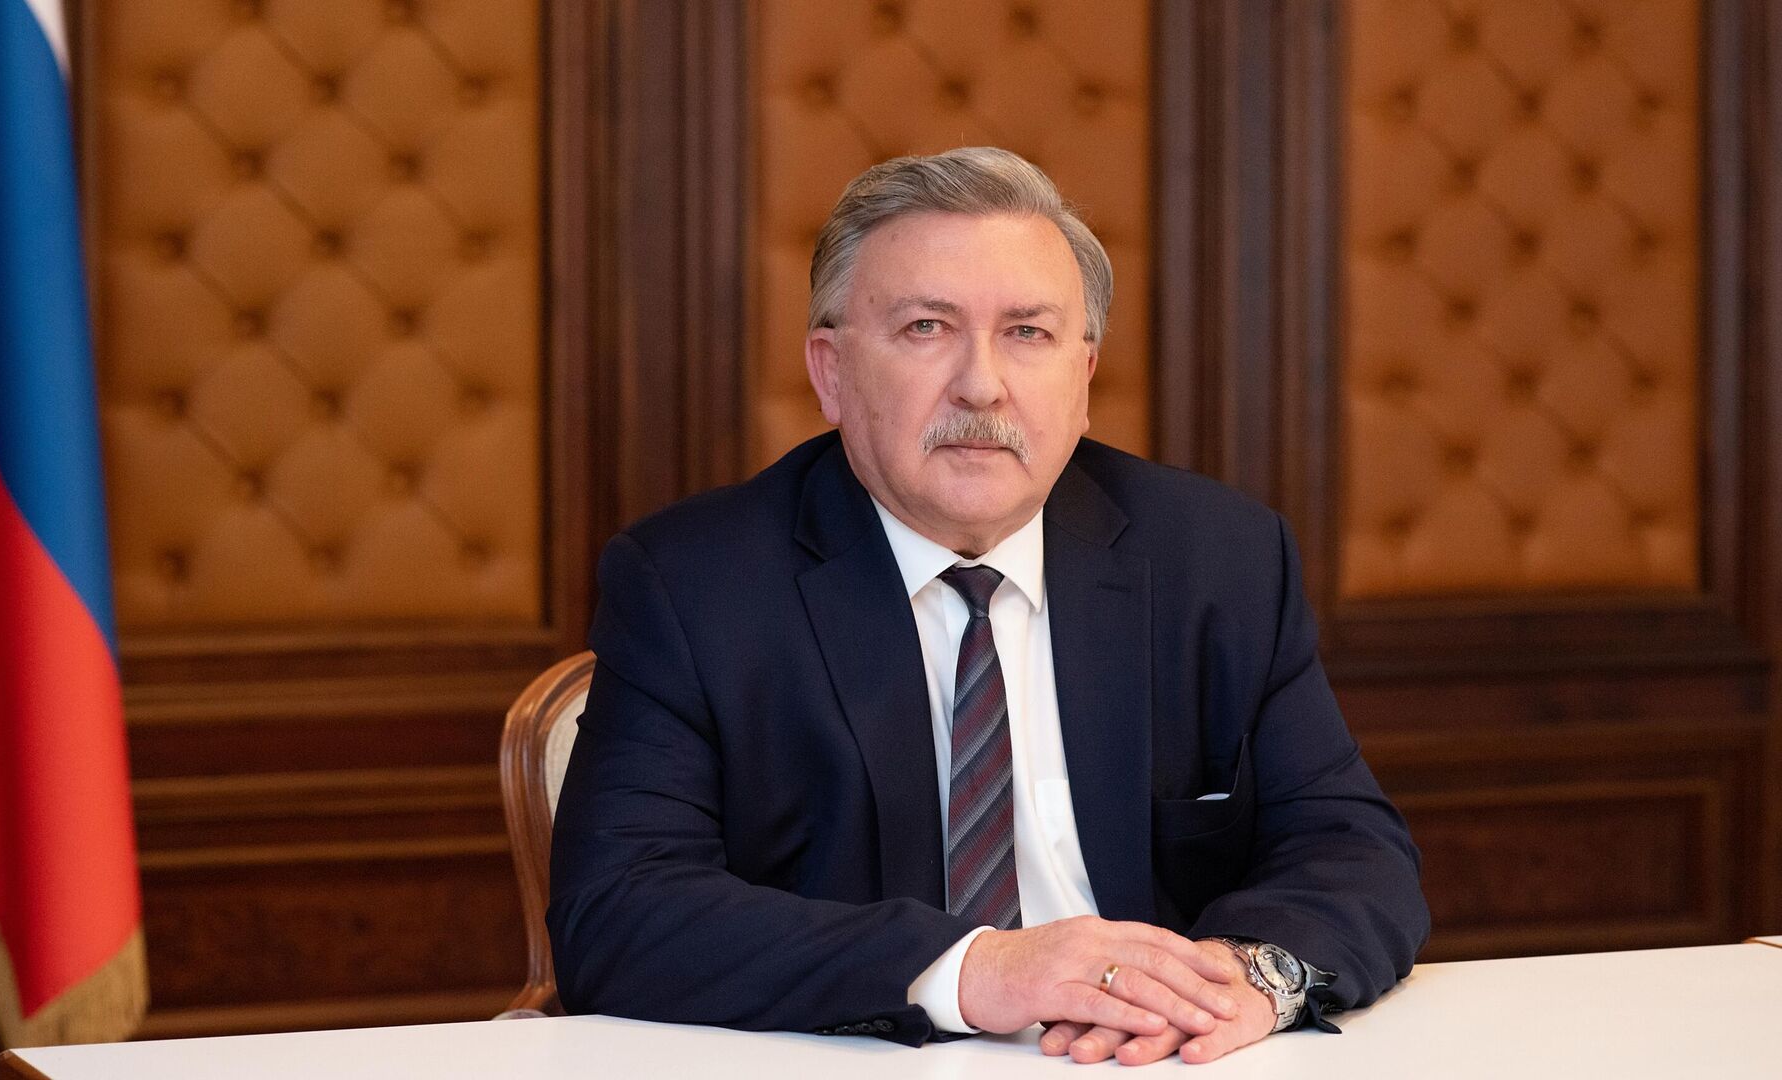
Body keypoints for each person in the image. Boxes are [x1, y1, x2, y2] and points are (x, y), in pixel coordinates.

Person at [547, 146, 1427, 1066]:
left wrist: (1237, 979)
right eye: (927, 328)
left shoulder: (1218, 560)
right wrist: (973, 970)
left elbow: (1353, 849)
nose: (981, 383)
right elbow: (618, 911)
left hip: (1149, 1060)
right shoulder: (695, 585)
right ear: (831, 372)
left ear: (1084, 376)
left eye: (1028, 333)